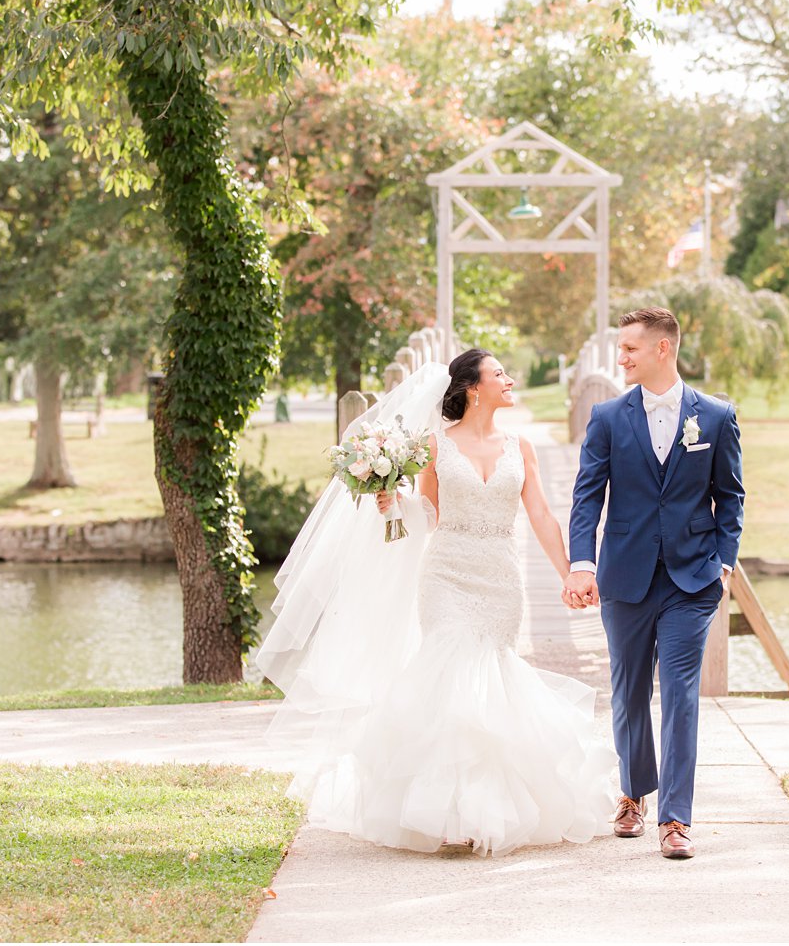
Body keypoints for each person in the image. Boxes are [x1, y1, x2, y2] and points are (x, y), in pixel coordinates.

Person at [254, 349, 616, 857]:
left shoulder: (522, 447)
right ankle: (449, 816)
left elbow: (541, 516)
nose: (510, 380)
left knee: (491, 677)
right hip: (446, 574)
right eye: (499, 375)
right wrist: (391, 503)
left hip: (500, 577)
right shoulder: (433, 446)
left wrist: (571, 575)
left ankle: (482, 807)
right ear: (472, 387)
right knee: (451, 671)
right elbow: (427, 510)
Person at [563, 306, 744, 860]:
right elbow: (587, 495)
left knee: (682, 695)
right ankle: (633, 794)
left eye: (630, 349)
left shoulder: (714, 416)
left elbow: (731, 494)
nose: (621, 358)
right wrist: (581, 563)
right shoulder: (608, 417)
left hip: (692, 579)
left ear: (662, 349)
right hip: (626, 576)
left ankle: (675, 818)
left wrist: (723, 561)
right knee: (629, 692)